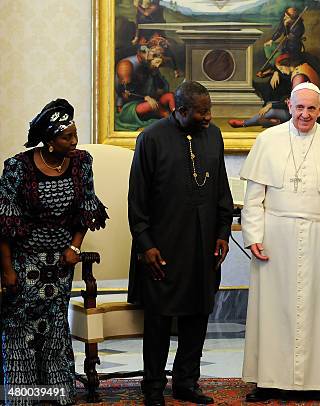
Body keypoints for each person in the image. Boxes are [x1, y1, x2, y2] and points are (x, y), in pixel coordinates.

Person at [240, 82, 320, 402]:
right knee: (273, 311)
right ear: (289, 106)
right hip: (275, 239)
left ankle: (319, 382)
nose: (305, 114)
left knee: (319, 312)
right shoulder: (267, 141)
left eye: (312, 108)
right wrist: (253, 236)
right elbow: (254, 197)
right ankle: (268, 380)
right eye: (300, 107)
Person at [127, 81, 233, 406]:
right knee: (159, 321)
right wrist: (146, 245)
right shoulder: (151, 138)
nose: (208, 117)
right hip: (162, 247)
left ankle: (186, 382)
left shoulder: (213, 135)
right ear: (182, 110)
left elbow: (221, 191)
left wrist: (222, 233)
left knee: (198, 315)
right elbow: (136, 200)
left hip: (203, 246)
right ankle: (154, 388)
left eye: (209, 109)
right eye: (202, 112)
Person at [0, 99, 108, 405]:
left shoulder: (81, 163)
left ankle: (56, 393)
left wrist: (75, 247)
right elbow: (4, 224)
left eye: (75, 135)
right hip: (23, 262)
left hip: (61, 263)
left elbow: (86, 210)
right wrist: (7, 270)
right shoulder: (17, 168)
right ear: (49, 141)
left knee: (55, 325)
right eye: (66, 137)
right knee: (19, 327)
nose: (74, 142)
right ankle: (21, 395)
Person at [229, 53, 320, 129]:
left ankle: (244, 123)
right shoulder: (301, 67)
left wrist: (271, 106)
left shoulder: (298, 78)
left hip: (301, 113)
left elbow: (295, 102)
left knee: (270, 111)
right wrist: (275, 72)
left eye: (281, 69)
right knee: (270, 104)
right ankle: (276, 122)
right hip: (300, 107)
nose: (281, 72)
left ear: (287, 65)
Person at [115, 36, 176, 131]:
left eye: (160, 56)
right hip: (129, 107)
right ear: (144, 52)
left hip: (150, 101)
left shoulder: (150, 66)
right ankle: (171, 120)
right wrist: (145, 97)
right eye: (155, 55)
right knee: (154, 107)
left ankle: (175, 114)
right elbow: (125, 93)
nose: (158, 60)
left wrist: (155, 75)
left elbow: (162, 89)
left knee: (170, 96)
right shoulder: (126, 66)